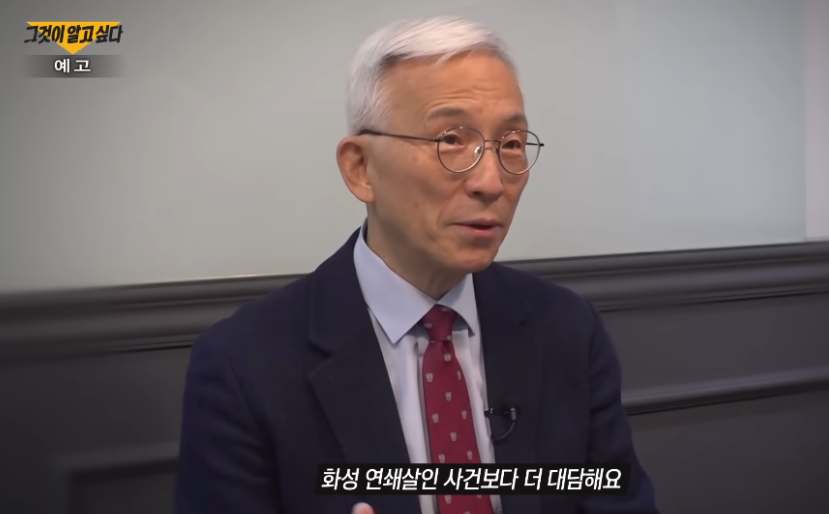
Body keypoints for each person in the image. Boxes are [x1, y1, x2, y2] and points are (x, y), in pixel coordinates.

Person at [174, 16, 659, 514]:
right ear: (361, 169)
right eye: (451, 140)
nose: (491, 181)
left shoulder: (568, 330)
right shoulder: (242, 365)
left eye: (511, 144)